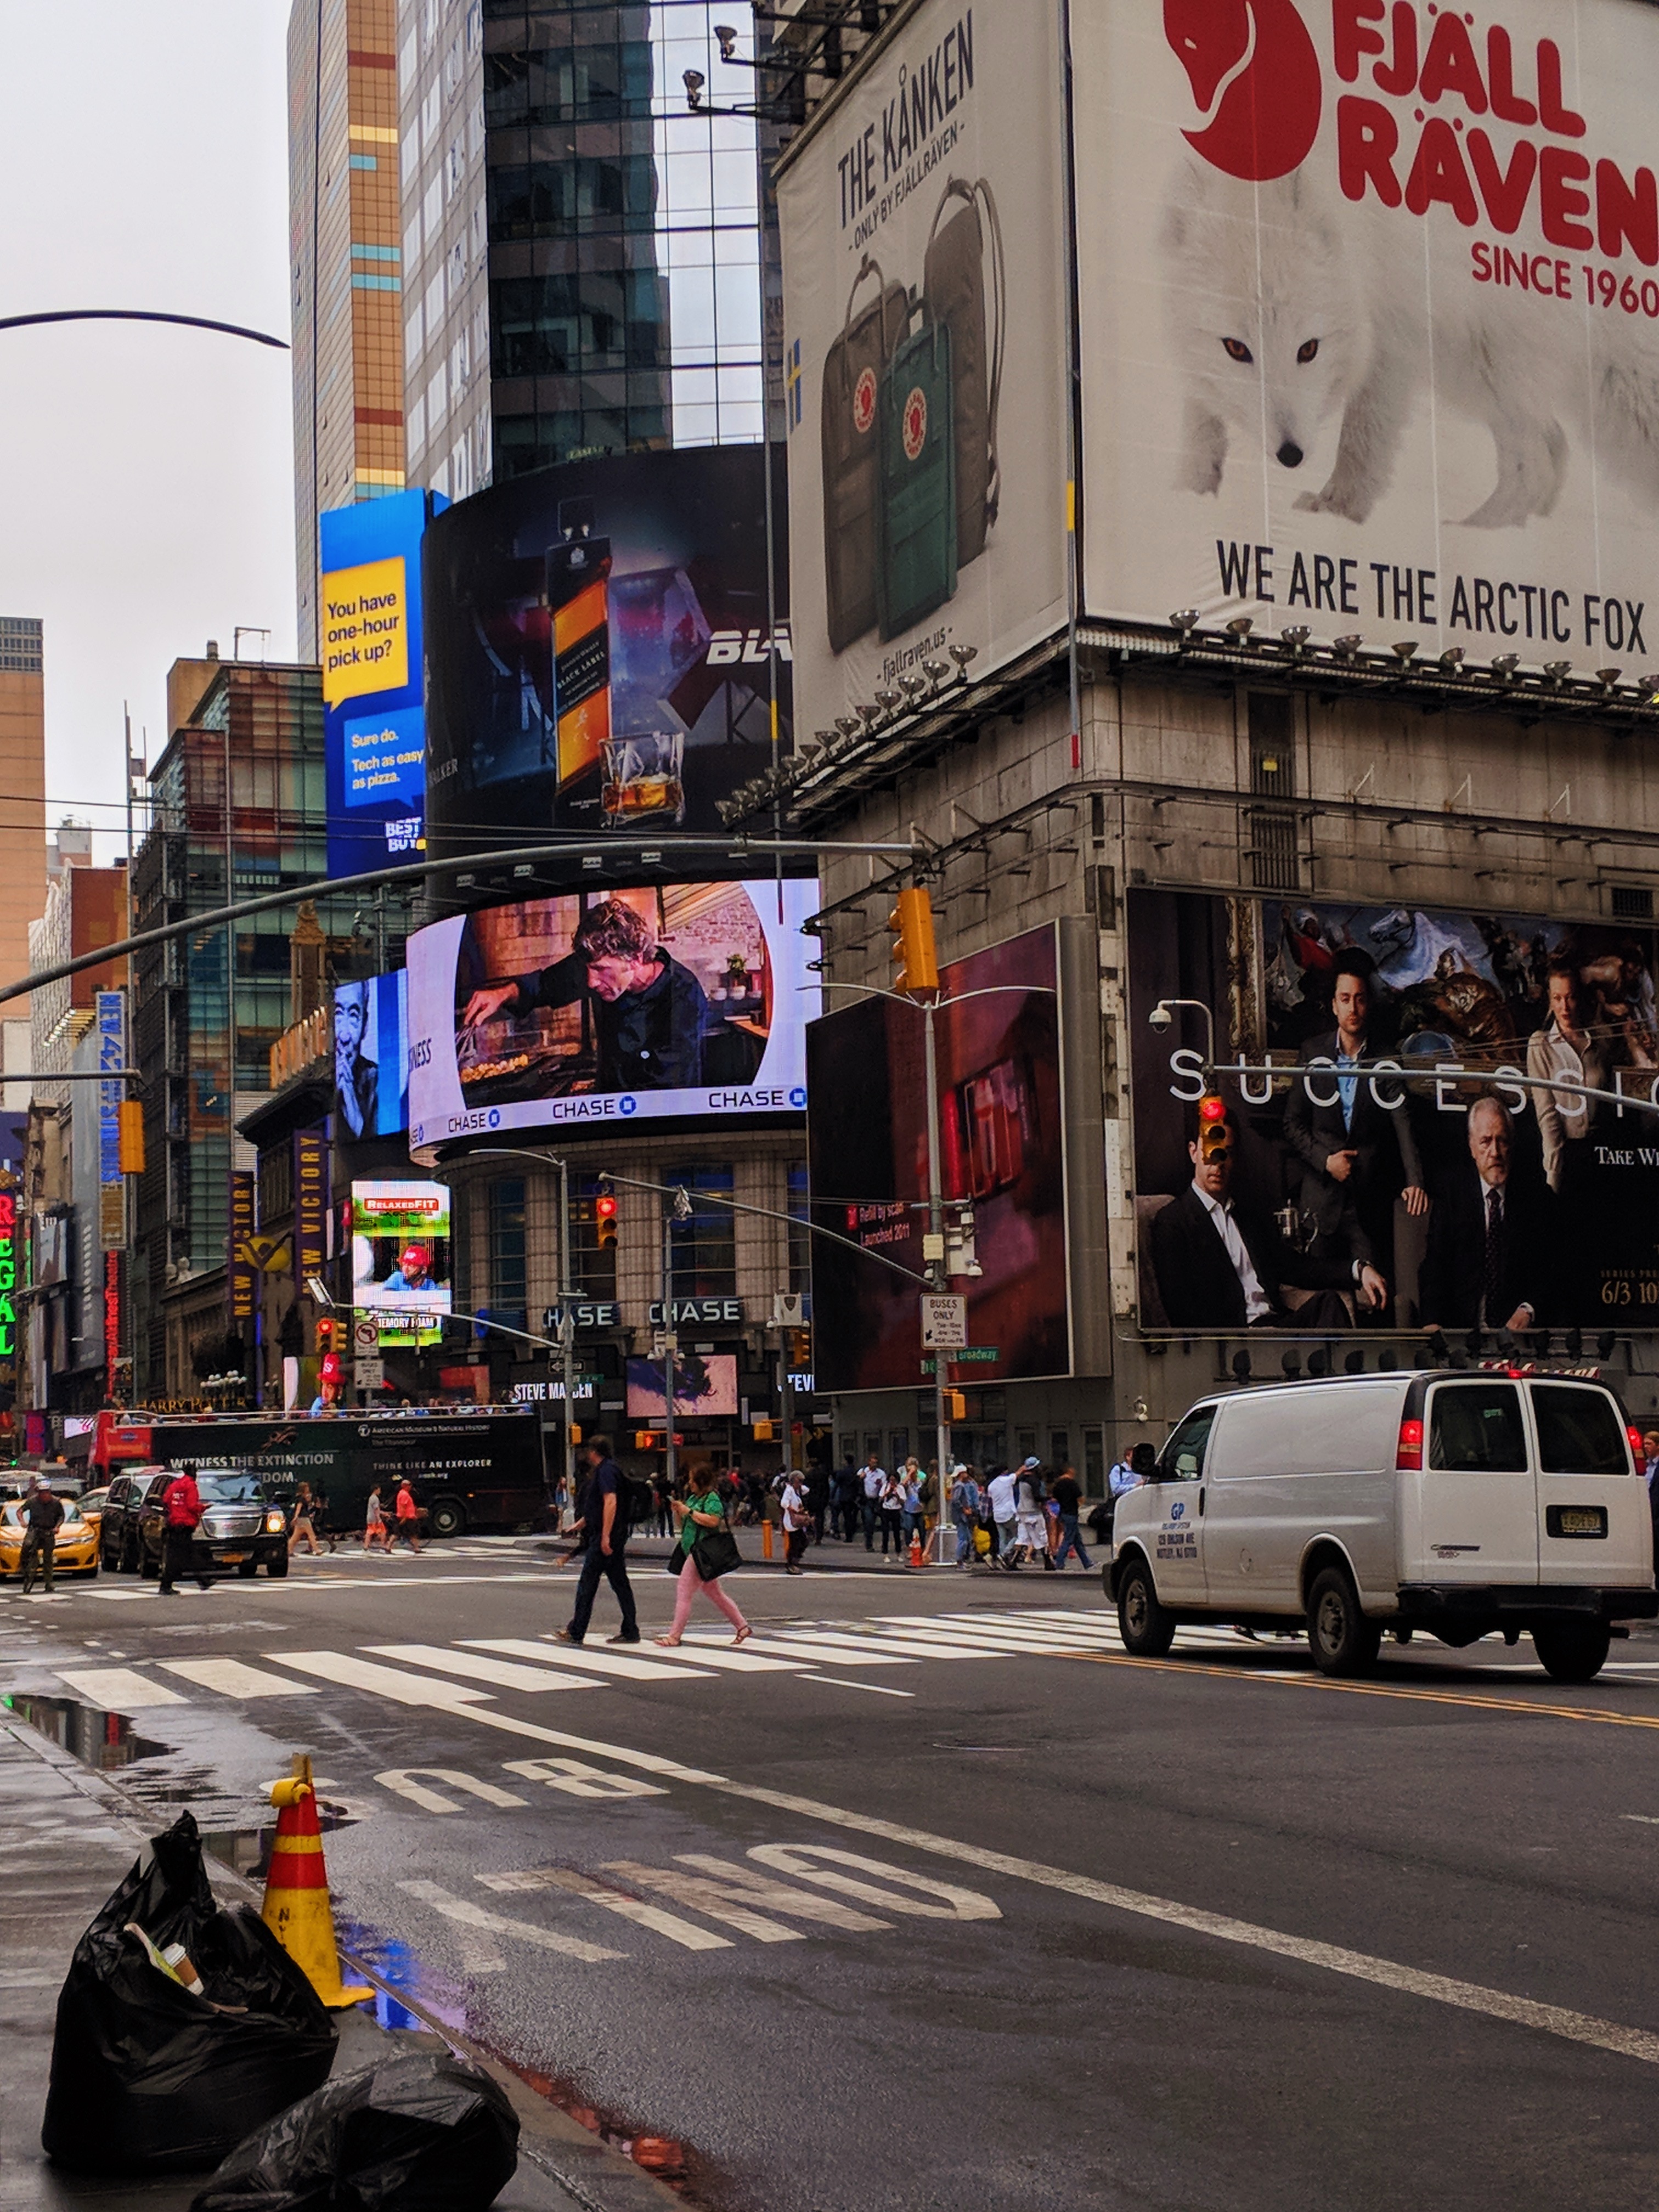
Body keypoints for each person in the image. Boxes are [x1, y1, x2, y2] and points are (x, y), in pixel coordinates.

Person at [1152, 1102, 1387, 1330]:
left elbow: (1295, 1267)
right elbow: (1181, 1309)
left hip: (1274, 1324)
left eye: (1227, 1153)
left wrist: (1358, 1269)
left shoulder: (1247, 1216)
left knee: (1329, 1304)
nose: (1218, 1164)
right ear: (1194, 1152)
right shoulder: (1173, 1222)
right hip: (1233, 1339)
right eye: (1210, 1152)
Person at [461, 897, 716, 1093]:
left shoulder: (684, 995)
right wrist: (500, 995)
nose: (591, 982)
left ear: (636, 959)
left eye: (601, 970)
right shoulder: (593, 968)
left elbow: (668, 1084)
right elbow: (544, 985)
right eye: (588, 970)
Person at [1282, 951, 1429, 1267]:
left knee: (1375, 1297)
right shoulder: (1312, 1053)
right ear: (1334, 1005)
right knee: (1323, 1297)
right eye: (1345, 999)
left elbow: (1403, 1122)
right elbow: (1292, 1124)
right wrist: (1326, 1161)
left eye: (1360, 999)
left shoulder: (1386, 1059)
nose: (1353, 1007)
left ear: (1368, 1005)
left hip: (1368, 1202)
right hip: (1320, 1203)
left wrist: (1415, 1181)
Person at [1419, 1096, 1556, 1333]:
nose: (1495, 1152)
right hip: (1461, 1332)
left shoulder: (1536, 1198)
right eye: (1485, 1141)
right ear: (1472, 1147)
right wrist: (1432, 1322)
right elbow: (1434, 1266)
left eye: (1501, 1140)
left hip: (1516, 1336)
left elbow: (1552, 1270)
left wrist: (1528, 1309)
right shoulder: (1451, 1195)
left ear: (1511, 1144)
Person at [1528, 961, 1611, 1197]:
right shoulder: (1540, 1044)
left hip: (1602, 1154)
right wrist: (1553, 1177)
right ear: (1550, 1000)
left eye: (1570, 997)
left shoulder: (1600, 1042)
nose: (1565, 1007)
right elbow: (1547, 1117)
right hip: (1565, 1157)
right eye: (1557, 998)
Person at [556, 1436, 639, 1646]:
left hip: (605, 1537)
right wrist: (579, 1525)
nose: (587, 1455)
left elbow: (610, 1502)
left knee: (587, 1584)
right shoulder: (608, 1470)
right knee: (620, 1584)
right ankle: (630, 1629)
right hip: (609, 1535)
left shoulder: (606, 1471)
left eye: (589, 1451)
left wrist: (605, 1536)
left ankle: (577, 1631)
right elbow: (597, 1508)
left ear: (595, 1452)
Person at [657, 1475, 751, 1647]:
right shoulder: (693, 1499)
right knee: (713, 1592)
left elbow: (713, 1521)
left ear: (701, 1482)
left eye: (693, 1480)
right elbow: (682, 1525)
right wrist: (678, 1512)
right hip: (692, 1550)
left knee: (684, 1590)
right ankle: (742, 1626)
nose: (689, 1483)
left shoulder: (712, 1499)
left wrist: (689, 1512)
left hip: (702, 1551)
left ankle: (675, 1636)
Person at [334, 980, 379, 1140]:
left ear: (365, 1024)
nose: (344, 1036)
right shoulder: (321, 1076)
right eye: (338, 1014)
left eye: (353, 1016)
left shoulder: (378, 1082)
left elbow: (374, 1145)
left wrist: (349, 1098)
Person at [157, 1464, 211, 1595]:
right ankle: (202, 1581)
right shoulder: (191, 1485)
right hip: (185, 1525)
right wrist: (203, 1507)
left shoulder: (176, 1485)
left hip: (174, 1524)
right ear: (194, 1473)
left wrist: (175, 1511)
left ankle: (202, 1581)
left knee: (181, 1555)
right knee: (184, 1556)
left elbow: (165, 1499)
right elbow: (192, 1506)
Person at [19, 1477, 64, 1594]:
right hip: (35, 1529)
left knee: (48, 1558)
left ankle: (49, 1583)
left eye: (46, 1493)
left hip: (49, 1531)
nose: (44, 1495)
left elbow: (61, 1516)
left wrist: (57, 1527)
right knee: (27, 1546)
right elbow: (20, 1511)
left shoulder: (56, 1502)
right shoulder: (32, 1501)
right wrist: (22, 1522)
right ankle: (25, 1569)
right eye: (42, 1493)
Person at [1049, 1463, 1091, 1571]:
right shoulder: (1072, 1483)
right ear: (1069, 1471)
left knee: (1077, 1540)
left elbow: (1055, 1499)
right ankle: (1059, 1562)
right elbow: (1081, 1498)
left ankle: (1087, 1562)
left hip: (1063, 1513)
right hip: (1071, 1513)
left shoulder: (1057, 1484)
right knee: (1068, 1539)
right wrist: (1078, 1505)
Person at [1014, 1459, 1052, 1571]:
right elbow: (1037, 1497)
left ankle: (1013, 1561)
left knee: (1022, 1538)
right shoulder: (1034, 1481)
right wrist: (1049, 1498)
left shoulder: (1021, 1479)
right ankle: (1048, 1562)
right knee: (1042, 1536)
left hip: (1022, 1511)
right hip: (1033, 1512)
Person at [986, 1464, 1019, 1569]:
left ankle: (1003, 1560)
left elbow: (990, 1498)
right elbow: (1017, 1474)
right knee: (1018, 1535)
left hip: (997, 1514)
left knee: (1002, 1538)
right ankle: (1004, 1554)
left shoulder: (991, 1486)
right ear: (1003, 1472)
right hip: (1008, 1512)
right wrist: (1024, 1467)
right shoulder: (1006, 1480)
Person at [949, 1465, 981, 1567]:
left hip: (962, 1515)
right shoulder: (960, 1486)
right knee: (963, 1539)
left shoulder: (960, 1485)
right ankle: (959, 1560)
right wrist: (965, 1509)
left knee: (966, 1538)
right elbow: (955, 1501)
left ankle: (961, 1560)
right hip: (961, 1516)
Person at [780, 1469, 810, 1575]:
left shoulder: (798, 1490)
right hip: (791, 1521)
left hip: (797, 1521)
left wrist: (800, 1486)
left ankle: (794, 1562)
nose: (800, 1484)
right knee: (797, 1542)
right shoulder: (789, 1490)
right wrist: (792, 1509)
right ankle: (791, 1564)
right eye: (799, 1481)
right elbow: (784, 1503)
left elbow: (807, 1490)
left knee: (802, 1541)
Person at [878, 1467, 906, 1558]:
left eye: (894, 1480)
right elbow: (880, 1499)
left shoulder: (900, 1488)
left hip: (896, 1511)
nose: (892, 1482)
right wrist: (888, 1493)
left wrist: (897, 1495)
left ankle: (898, 1552)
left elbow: (903, 1502)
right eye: (891, 1480)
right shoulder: (885, 1487)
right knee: (885, 1532)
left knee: (897, 1533)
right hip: (886, 1511)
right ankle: (885, 1553)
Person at [392, 1476, 425, 1554]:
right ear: (405, 1486)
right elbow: (404, 1507)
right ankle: (416, 1548)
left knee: (397, 1533)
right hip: (407, 1518)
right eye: (409, 1485)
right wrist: (404, 1518)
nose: (411, 1487)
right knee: (413, 1534)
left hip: (405, 1517)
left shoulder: (402, 1493)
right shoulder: (404, 1495)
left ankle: (388, 1547)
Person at [288, 1483, 322, 1558]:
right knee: (311, 1534)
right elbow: (299, 1508)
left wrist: (296, 1518)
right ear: (304, 1489)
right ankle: (317, 1550)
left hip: (301, 1519)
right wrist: (296, 1517)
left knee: (295, 1537)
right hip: (304, 1519)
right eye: (307, 1488)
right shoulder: (301, 1499)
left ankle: (289, 1551)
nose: (308, 1489)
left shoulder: (299, 1498)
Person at [860, 1453, 886, 1551]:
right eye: (873, 1462)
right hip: (868, 1501)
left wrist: (880, 1485)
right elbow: (855, 1482)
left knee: (884, 1522)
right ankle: (869, 1544)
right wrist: (860, 1478)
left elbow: (885, 1486)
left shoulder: (881, 1474)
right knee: (869, 1522)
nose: (874, 1465)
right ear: (869, 1462)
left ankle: (884, 1544)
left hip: (877, 1500)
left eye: (876, 1463)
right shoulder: (864, 1471)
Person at [363, 1483, 392, 1553]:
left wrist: (384, 1514)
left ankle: (366, 1547)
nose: (380, 1492)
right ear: (376, 1490)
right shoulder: (375, 1499)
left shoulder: (371, 1498)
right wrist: (379, 1519)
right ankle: (382, 1546)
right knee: (383, 1532)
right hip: (374, 1519)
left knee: (370, 1532)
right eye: (379, 1490)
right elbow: (376, 1510)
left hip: (370, 1517)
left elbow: (376, 1510)